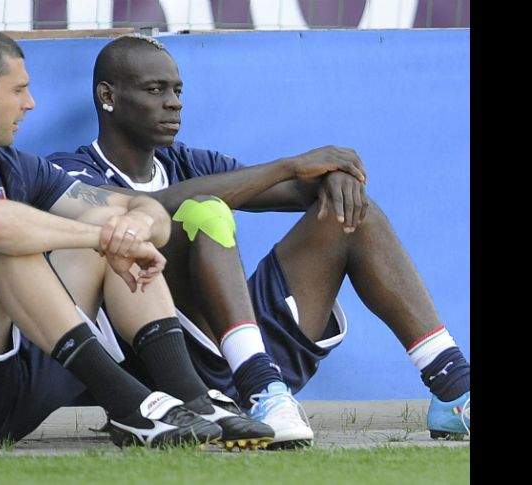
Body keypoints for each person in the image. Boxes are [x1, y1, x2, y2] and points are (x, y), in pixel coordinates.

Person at [0, 26, 276, 450]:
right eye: (19, 90)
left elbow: (139, 208)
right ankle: (130, 403)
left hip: (10, 394)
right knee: (2, 241)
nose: (30, 104)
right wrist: (102, 236)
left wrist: (134, 229)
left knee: (100, 236)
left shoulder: (14, 166)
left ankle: (192, 398)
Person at [47, 34, 471, 446]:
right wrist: (291, 164)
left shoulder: (193, 161)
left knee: (351, 216)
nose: (174, 102)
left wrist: (334, 176)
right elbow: (140, 207)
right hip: (176, 381)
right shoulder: (67, 172)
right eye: (155, 90)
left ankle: (453, 388)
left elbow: (300, 190)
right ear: (108, 96)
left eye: (177, 90)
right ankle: (262, 390)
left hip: (251, 354)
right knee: (203, 210)